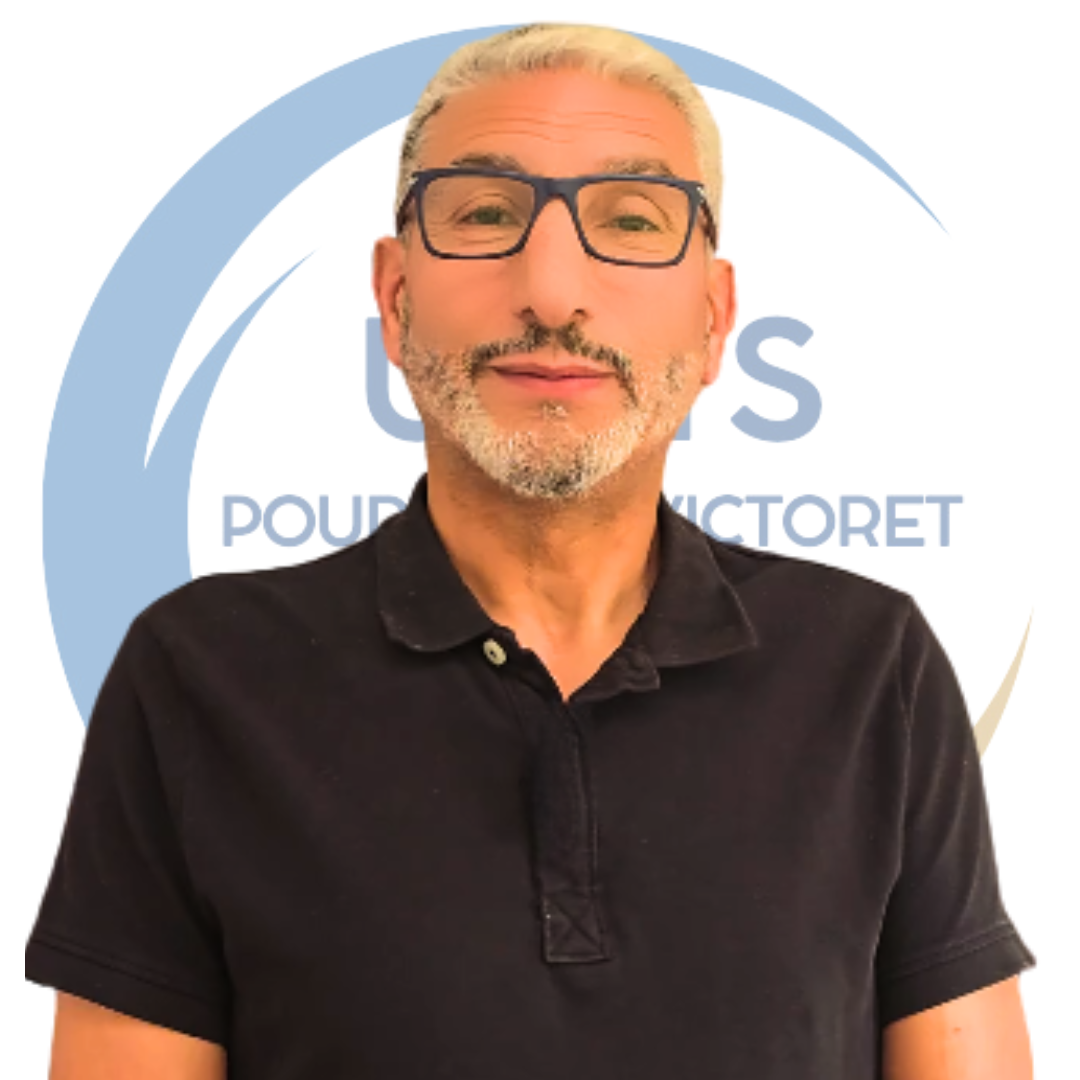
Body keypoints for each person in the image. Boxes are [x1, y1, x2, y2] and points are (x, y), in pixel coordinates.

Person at [26, 23, 1035, 1080]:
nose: (552, 292)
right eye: (486, 215)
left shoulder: (869, 666)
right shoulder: (201, 674)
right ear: (394, 298)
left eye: (632, 220)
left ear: (713, 319)